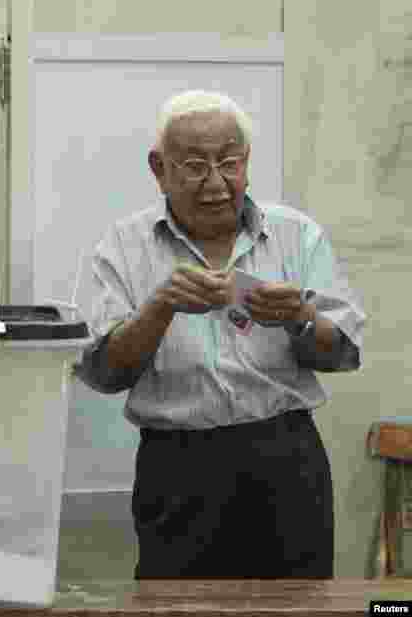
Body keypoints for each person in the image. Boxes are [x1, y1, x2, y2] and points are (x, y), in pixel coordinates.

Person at [75, 89, 365, 579]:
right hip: (177, 466)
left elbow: (342, 354)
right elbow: (103, 373)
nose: (215, 183)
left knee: (298, 608)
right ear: (158, 168)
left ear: (246, 162)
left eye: (229, 163)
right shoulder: (123, 246)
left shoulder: (298, 236)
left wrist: (301, 317)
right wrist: (160, 307)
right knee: (178, 607)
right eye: (193, 166)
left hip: (285, 459)